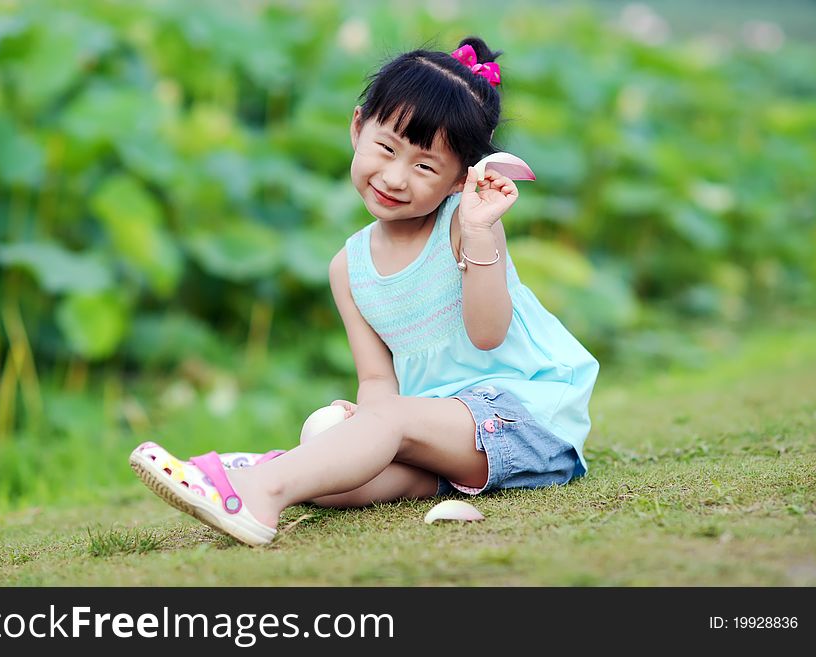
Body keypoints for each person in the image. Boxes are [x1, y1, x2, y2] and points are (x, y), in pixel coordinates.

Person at [130, 36, 599, 547]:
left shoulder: (465, 226)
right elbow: (377, 380)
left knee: (384, 424)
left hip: (526, 423)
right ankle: (280, 467)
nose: (395, 177)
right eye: (387, 148)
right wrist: (366, 415)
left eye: (425, 166)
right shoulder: (347, 269)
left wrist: (482, 228)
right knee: (338, 482)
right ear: (358, 128)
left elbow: (488, 336)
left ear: (460, 181)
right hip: (445, 442)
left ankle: (258, 492)